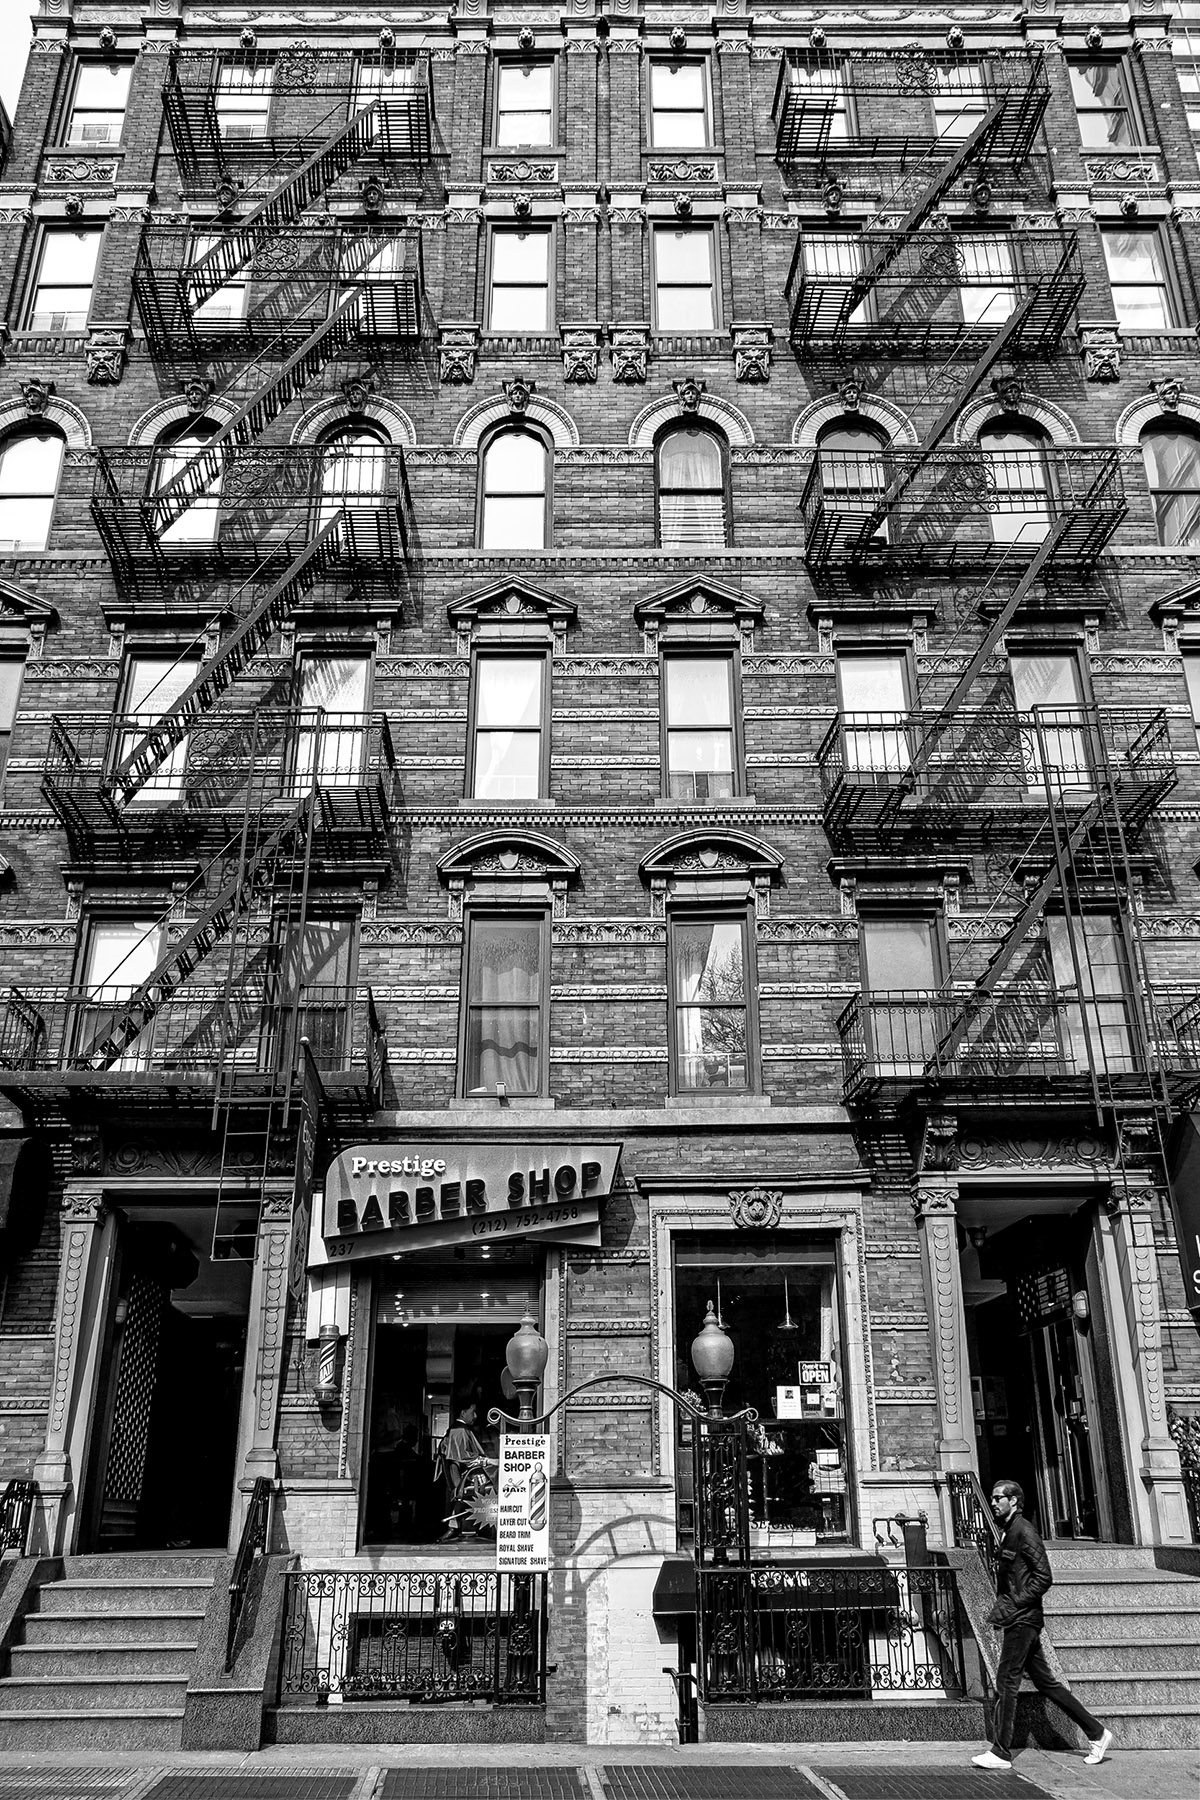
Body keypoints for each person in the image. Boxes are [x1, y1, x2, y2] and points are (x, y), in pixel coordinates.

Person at [972, 1479, 1113, 1772]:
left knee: (1006, 1681)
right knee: (1046, 1683)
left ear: (1014, 1501)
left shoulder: (1024, 1530)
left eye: (999, 1498)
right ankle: (1097, 1733)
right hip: (1022, 1618)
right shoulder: (1010, 1531)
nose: (994, 1502)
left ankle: (1000, 1751)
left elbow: (1043, 1577)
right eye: (993, 1498)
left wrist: (1012, 1604)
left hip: (1024, 1619)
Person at [435, 1398, 497, 1542]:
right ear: (463, 1413)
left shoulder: (458, 1429)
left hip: (464, 1474)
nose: (475, 1416)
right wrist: (489, 1461)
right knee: (496, 1487)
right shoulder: (459, 1431)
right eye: (473, 1412)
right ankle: (487, 1528)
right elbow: (464, 1458)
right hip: (467, 1476)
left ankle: (455, 1526)